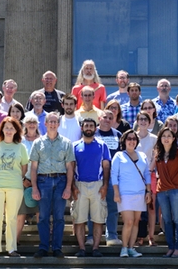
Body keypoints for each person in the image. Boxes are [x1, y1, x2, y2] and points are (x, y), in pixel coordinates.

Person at [30, 112, 75, 258]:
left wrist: (68, 187)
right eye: (50, 121)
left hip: (61, 181)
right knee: (43, 216)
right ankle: (43, 247)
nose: (53, 124)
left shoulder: (66, 143)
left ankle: (57, 248)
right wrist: (35, 187)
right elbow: (34, 167)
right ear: (45, 123)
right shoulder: (37, 143)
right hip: (43, 182)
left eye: (55, 122)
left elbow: (69, 167)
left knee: (59, 217)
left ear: (58, 124)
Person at [0, 117, 29, 257]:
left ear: (16, 130)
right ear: (2, 130)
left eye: (11, 128)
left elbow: (24, 167)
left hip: (15, 186)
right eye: (6, 127)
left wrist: (16, 178)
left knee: (11, 218)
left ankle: (11, 248)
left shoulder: (21, 147)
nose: (9, 130)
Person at [72, 118, 111, 257]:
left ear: (96, 128)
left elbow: (106, 166)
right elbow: (71, 167)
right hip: (80, 185)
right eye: (86, 125)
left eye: (91, 126)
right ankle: (82, 248)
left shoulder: (102, 145)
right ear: (82, 128)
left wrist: (105, 185)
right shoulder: (74, 146)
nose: (88, 128)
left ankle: (95, 248)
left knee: (98, 219)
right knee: (79, 219)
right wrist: (72, 186)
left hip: (98, 185)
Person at [112, 130, 152, 258]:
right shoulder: (119, 156)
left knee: (136, 222)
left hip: (140, 193)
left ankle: (131, 248)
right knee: (128, 221)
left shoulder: (142, 156)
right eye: (129, 138)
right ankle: (124, 248)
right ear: (124, 140)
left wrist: (148, 191)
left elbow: (147, 174)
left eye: (134, 139)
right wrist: (116, 192)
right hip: (125, 193)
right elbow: (114, 175)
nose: (131, 141)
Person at [154, 127, 178, 258]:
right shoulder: (158, 155)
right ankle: (170, 247)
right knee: (166, 220)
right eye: (164, 136)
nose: (166, 138)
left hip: (176, 190)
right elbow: (153, 169)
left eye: (169, 136)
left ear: (174, 138)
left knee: (177, 219)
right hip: (162, 190)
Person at [92, 110, 123, 246]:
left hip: (113, 176)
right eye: (105, 117)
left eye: (110, 117)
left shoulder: (118, 135)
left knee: (112, 206)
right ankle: (91, 236)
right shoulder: (93, 133)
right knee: (93, 206)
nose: (107, 119)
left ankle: (111, 235)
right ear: (99, 118)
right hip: (94, 175)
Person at [134, 110, 159, 246]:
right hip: (135, 177)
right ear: (137, 121)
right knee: (139, 207)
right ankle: (139, 236)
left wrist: (149, 169)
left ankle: (151, 236)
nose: (143, 122)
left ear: (149, 122)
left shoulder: (154, 138)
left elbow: (156, 156)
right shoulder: (132, 137)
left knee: (151, 207)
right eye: (141, 119)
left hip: (150, 174)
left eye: (146, 119)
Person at [17, 114, 41, 241]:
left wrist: (35, 181)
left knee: (41, 214)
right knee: (20, 214)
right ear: (24, 124)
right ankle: (14, 244)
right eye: (29, 122)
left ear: (37, 125)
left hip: (40, 182)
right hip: (22, 181)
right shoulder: (19, 141)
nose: (31, 125)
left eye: (34, 122)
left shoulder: (43, 140)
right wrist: (23, 179)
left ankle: (44, 243)